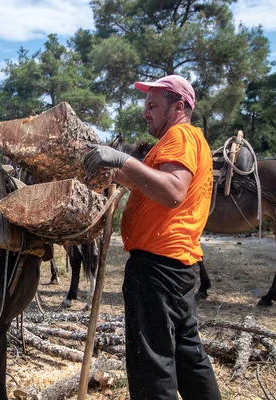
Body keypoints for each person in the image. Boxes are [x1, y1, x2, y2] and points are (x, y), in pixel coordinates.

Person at [84, 75, 221, 400]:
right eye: (146, 105)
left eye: (153, 105)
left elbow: (173, 191)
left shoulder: (180, 136)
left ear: (179, 106)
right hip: (177, 266)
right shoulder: (185, 140)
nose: (145, 112)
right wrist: (114, 170)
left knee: (151, 365)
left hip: (158, 270)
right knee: (189, 357)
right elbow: (151, 189)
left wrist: (122, 159)